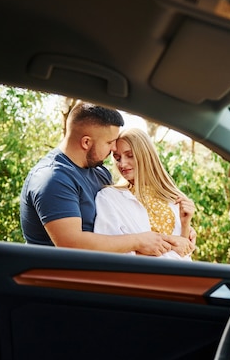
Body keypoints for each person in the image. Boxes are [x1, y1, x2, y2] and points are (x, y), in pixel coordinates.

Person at [20, 100, 188, 257]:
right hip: (60, 281)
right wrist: (138, 241)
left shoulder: (99, 172)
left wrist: (179, 231)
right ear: (86, 142)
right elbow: (71, 244)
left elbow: (123, 216)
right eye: (110, 142)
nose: (114, 148)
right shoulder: (52, 179)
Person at [94, 127, 196, 260]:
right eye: (117, 158)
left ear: (146, 155)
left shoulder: (172, 197)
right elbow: (107, 253)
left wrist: (185, 224)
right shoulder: (109, 197)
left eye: (130, 155)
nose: (122, 164)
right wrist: (171, 245)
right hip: (140, 279)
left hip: (178, 278)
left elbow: (183, 253)